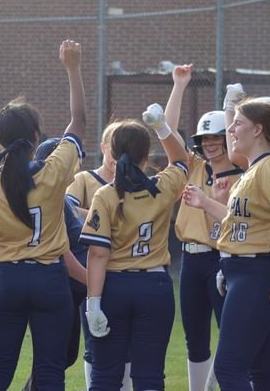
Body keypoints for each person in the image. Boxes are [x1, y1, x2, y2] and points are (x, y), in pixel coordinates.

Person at [0, 39, 85, 390]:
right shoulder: (53, 171)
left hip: (7, 277)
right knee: (50, 371)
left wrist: (1, 273)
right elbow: (78, 121)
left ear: (0, 140)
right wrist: (73, 69)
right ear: (36, 136)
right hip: (50, 278)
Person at [183, 99, 270, 391]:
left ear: (258, 129)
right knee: (260, 369)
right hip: (247, 273)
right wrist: (205, 202)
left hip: (259, 274)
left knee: (229, 367)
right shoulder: (252, 170)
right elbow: (242, 224)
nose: (231, 130)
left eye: (237, 123)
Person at [80, 104, 189, 391]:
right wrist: (162, 127)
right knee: (149, 376)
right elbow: (181, 160)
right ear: (146, 155)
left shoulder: (105, 194)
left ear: (112, 154)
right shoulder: (162, 186)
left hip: (114, 287)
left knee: (105, 375)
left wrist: (93, 303)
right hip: (154, 285)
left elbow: (98, 253)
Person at [163, 63, 244, 391]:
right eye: (204, 138)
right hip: (191, 261)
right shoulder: (193, 166)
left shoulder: (241, 171)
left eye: (217, 137)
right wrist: (179, 87)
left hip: (223, 258)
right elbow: (166, 133)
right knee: (195, 338)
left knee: (232, 334)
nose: (210, 144)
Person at [66, 122, 133, 390]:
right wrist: (101, 216)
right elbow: (67, 208)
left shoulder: (134, 182)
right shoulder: (85, 179)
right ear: (104, 147)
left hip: (125, 268)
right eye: (112, 149)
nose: (116, 156)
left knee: (126, 342)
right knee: (95, 340)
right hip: (92, 270)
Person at [21, 137, 91, 391]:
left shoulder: (66, 199)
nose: (78, 161)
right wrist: (91, 281)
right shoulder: (50, 200)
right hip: (61, 287)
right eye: (74, 156)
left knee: (63, 356)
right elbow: (60, 251)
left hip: (72, 291)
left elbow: (90, 218)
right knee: (53, 359)